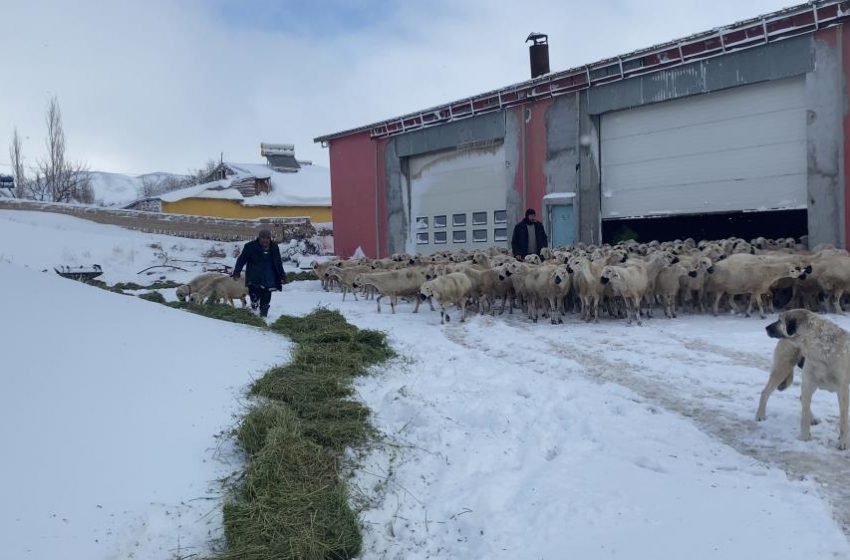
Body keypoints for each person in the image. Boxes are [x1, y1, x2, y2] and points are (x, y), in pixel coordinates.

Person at [232, 229, 286, 318]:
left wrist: (282, 274)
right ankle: (254, 305)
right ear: (259, 238)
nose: (265, 240)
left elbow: (278, 262)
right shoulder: (250, 247)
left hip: (269, 277)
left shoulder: (274, 247)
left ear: (270, 239)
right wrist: (237, 271)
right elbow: (241, 260)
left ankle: (263, 317)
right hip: (254, 277)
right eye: (263, 238)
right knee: (254, 295)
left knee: (266, 298)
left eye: (267, 238)